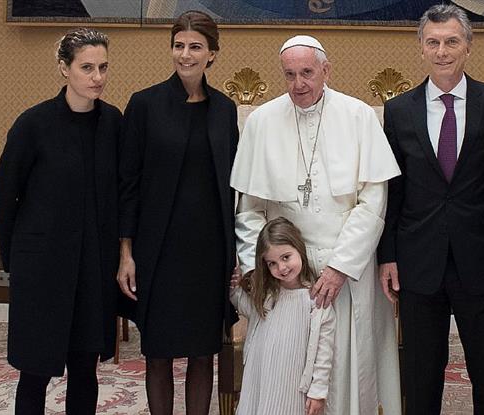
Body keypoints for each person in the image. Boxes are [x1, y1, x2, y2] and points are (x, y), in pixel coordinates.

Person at [231, 35, 403, 415]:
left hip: (346, 269)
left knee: (344, 374)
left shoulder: (358, 116)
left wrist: (340, 266)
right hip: (285, 277)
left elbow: (373, 202)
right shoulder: (261, 122)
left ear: (326, 70)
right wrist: (262, 271)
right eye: (289, 75)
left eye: (307, 73)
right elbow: (249, 210)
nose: (298, 84)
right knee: (285, 378)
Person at [377, 4, 484, 414]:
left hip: (481, 259)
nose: (442, 51)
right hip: (419, 261)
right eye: (433, 42)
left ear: (468, 45)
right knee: (420, 373)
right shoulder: (399, 110)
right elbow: (392, 190)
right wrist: (388, 255)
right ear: (420, 47)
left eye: (451, 41)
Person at [0, 27, 121, 414]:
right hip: (42, 271)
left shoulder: (113, 123)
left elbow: (122, 193)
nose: (97, 77)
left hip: (93, 270)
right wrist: (17, 262)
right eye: (87, 68)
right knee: (34, 373)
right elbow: (4, 197)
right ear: (64, 68)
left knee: (85, 370)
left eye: (103, 67)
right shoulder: (33, 124)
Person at [115, 10, 238, 415]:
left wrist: (237, 254)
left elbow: (233, 187)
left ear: (212, 54)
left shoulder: (224, 110)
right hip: (158, 251)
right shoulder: (144, 104)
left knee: (204, 353)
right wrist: (126, 253)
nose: (185, 54)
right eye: (179, 45)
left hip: (208, 253)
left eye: (195, 47)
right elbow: (128, 185)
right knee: (159, 353)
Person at [230, 217, 335, 415]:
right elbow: (247, 307)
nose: (281, 268)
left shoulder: (315, 300)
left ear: (299, 249)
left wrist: (318, 392)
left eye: (286, 257)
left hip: (291, 385)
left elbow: (324, 351)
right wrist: (234, 289)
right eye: (272, 263)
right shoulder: (267, 295)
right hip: (260, 379)